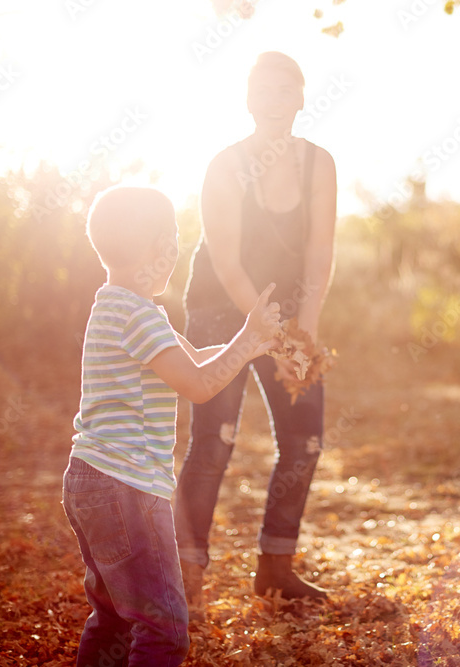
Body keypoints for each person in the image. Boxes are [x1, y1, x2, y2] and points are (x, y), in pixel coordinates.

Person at [63, 185, 281, 666]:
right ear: (156, 249)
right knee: (165, 631)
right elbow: (199, 385)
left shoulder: (116, 305)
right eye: (173, 239)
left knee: (114, 619)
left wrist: (254, 345)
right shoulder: (138, 314)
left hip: (90, 481)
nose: (176, 251)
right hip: (127, 490)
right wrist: (246, 339)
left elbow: (192, 359)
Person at [175, 51, 337, 614]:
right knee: (213, 441)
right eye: (261, 91)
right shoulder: (225, 164)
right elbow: (226, 263)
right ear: (247, 100)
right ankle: (187, 574)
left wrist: (303, 337)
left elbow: (320, 255)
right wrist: (262, 331)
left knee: (305, 439)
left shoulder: (320, 163)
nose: (272, 101)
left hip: (291, 313)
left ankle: (275, 567)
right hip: (223, 307)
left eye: (283, 90)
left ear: (299, 97)